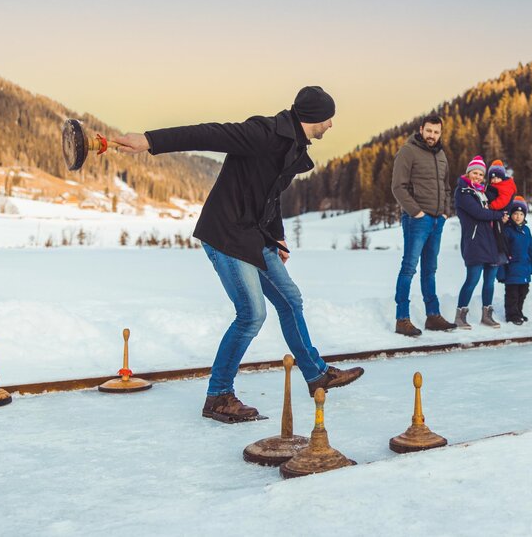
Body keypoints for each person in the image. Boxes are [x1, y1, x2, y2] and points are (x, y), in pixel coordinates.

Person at [110, 86, 364, 423]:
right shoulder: (263, 133)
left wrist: (278, 236)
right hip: (227, 234)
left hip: (255, 235)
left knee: (290, 300)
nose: (331, 124)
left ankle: (316, 374)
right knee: (251, 315)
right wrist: (149, 140)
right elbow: (207, 134)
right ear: (313, 117)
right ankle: (218, 396)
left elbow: (271, 194)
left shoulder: (294, 145)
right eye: (328, 117)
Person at [390, 114, 457, 337]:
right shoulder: (408, 151)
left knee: (430, 270)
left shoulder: (441, 155)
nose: (432, 135)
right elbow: (398, 187)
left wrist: (445, 212)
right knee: (409, 268)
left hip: (437, 220)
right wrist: (416, 212)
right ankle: (402, 319)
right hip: (417, 220)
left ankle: (433, 316)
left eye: (436, 132)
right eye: (429, 130)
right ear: (421, 129)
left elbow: (446, 187)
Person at [453, 155, 508, 329]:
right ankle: (460, 316)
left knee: (489, 281)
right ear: (468, 173)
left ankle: (487, 316)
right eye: (474, 173)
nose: (477, 176)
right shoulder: (463, 192)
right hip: (474, 242)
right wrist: (498, 215)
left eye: (481, 174)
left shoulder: (482, 192)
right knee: (472, 279)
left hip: (491, 242)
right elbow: (479, 213)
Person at [498, 196, 532, 325]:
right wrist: (501, 272)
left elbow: (531, 249)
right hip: (512, 269)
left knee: (523, 292)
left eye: (521, 214)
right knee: (512, 294)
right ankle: (511, 315)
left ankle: (518, 312)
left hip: (525, 269)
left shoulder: (526, 230)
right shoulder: (507, 230)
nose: (518, 217)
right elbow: (501, 252)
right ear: (511, 214)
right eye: (515, 213)